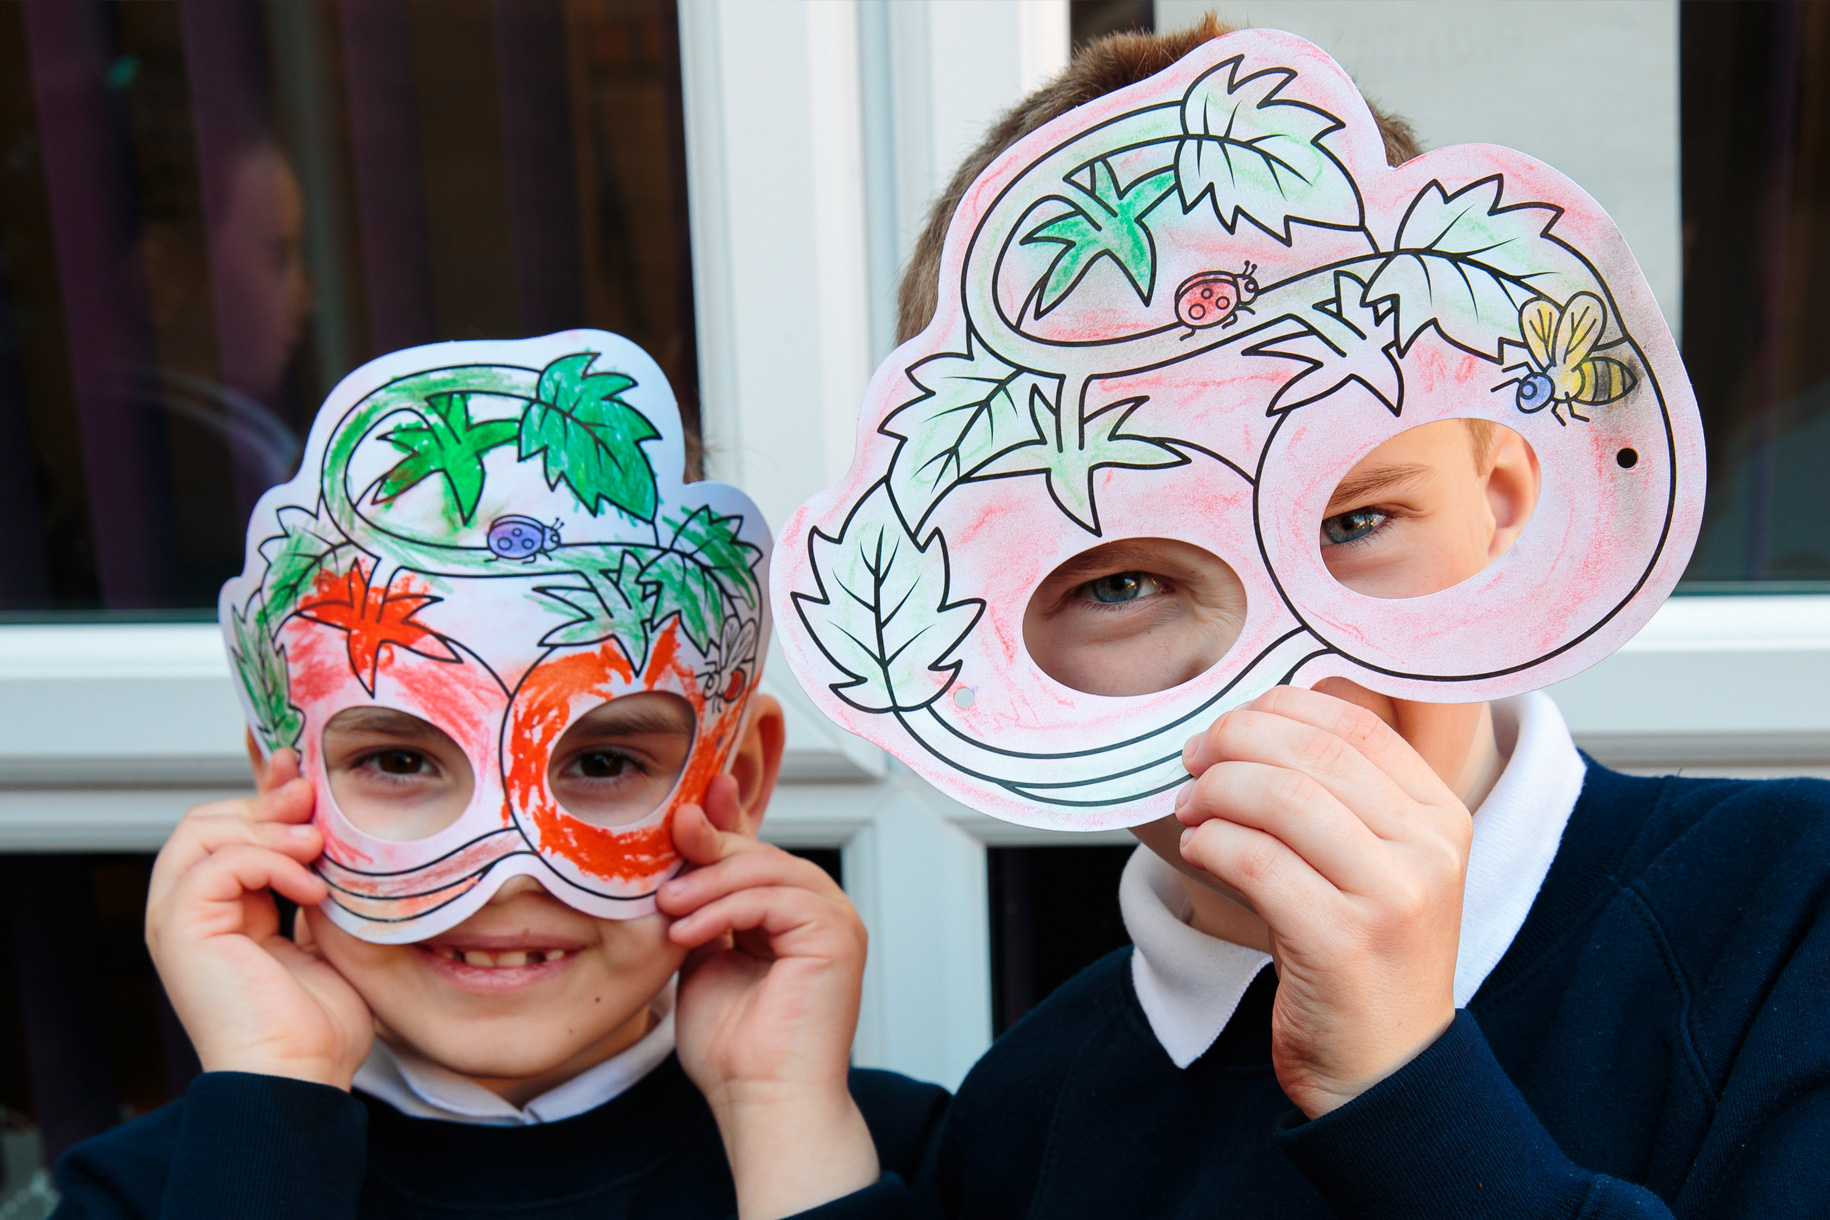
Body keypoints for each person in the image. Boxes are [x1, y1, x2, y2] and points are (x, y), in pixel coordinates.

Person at [754, 16, 1830, 1218]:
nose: (1287, 688)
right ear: (984, 654)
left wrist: (1406, 1087)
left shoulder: (1788, 914)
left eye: (1357, 521)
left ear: (1505, 496)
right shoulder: (1030, 1108)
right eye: (1121, 583)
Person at [50, 689, 944, 1218]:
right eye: (398, 760)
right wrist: (273, 1096)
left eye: (602, 762)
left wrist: (783, 1122)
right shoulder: (147, 1195)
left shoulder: (893, 1159)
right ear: (282, 787)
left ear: (735, 782)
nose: (503, 874)